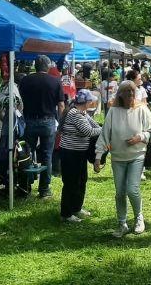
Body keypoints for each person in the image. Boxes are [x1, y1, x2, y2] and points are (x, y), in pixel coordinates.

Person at [95, 81, 151, 238]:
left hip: (137, 155)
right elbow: (104, 135)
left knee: (132, 189)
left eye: (132, 92)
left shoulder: (142, 109)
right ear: (120, 94)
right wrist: (98, 156)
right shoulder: (113, 111)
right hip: (118, 158)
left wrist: (140, 137)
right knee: (120, 192)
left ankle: (139, 219)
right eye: (127, 92)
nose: (130, 95)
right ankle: (122, 224)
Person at [19, 55, 65, 199]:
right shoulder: (55, 81)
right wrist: (61, 123)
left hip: (29, 121)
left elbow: (19, 102)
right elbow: (61, 105)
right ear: (48, 66)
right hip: (48, 121)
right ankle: (44, 189)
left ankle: (24, 187)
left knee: (26, 155)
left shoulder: (25, 80)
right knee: (47, 155)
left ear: (35, 65)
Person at [59, 89, 102, 222]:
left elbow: (94, 125)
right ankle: (66, 214)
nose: (92, 102)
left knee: (81, 180)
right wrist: (106, 129)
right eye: (91, 100)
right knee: (71, 183)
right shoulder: (75, 114)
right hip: (70, 153)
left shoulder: (82, 113)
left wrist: (102, 127)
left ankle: (76, 208)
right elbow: (88, 131)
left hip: (79, 153)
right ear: (86, 102)